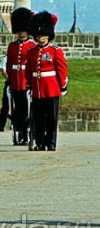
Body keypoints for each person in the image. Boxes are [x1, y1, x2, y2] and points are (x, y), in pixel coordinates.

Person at [26, 11, 69, 151]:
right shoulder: (32, 52)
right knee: (38, 119)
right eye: (38, 36)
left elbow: (61, 69)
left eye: (44, 35)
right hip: (37, 90)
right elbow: (29, 70)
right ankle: (39, 142)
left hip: (51, 88)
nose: (41, 38)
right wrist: (29, 85)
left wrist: (62, 86)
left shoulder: (55, 51)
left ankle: (51, 142)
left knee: (51, 119)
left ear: (49, 35)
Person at [4, 8, 35, 145]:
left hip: (26, 81)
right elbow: (10, 63)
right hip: (15, 81)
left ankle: (28, 133)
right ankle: (21, 133)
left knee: (27, 110)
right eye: (19, 31)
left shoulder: (32, 45)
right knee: (18, 111)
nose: (21, 33)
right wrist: (10, 78)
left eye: (23, 31)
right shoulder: (12, 46)